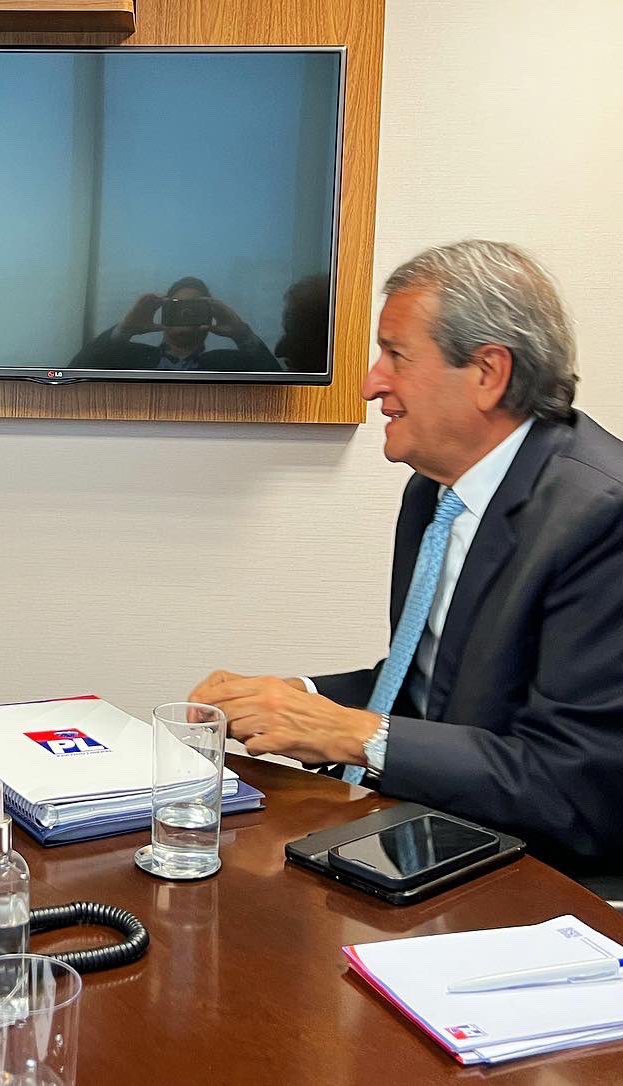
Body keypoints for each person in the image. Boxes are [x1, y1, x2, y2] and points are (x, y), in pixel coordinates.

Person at [190, 240, 623, 876]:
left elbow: (575, 789)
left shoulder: (600, 518)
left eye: (395, 355)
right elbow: (431, 693)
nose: (371, 383)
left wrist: (350, 734)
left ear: (487, 373)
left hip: (540, 880)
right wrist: (297, 699)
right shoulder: (436, 491)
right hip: (427, 836)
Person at [69, 277, 280, 372]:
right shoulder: (128, 358)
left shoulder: (232, 365)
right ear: (164, 312)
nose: (186, 313)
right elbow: (73, 375)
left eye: (195, 308)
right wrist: (125, 329)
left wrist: (241, 333)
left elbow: (280, 389)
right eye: (177, 308)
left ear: (209, 316)